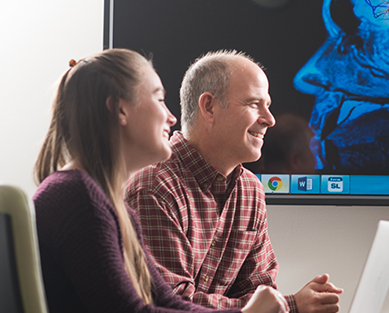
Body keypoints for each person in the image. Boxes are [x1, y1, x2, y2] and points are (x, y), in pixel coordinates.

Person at [32, 49, 287, 313]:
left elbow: (167, 302)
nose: (172, 117)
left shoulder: (104, 203)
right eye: (159, 99)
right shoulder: (79, 199)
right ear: (120, 109)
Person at [125, 50, 343, 313]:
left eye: (268, 105)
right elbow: (172, 304)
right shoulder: (154, 187)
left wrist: (280, 305)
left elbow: (261, 293)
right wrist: (292, 305)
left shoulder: (250, 190)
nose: (269, 119)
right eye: (254, 104)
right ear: (209, 107)